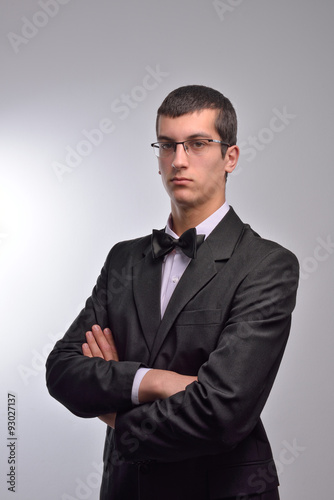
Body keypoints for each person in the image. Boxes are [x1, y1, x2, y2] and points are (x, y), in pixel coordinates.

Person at [46, 85, 299, 500]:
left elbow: (222, 413)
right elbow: (62, 370)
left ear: (229, 157)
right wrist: (156, 381)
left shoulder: (267, 264)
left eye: (197, 144)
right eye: (167, 145)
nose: (179, 160)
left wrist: (114, 411)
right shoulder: (122, 260)